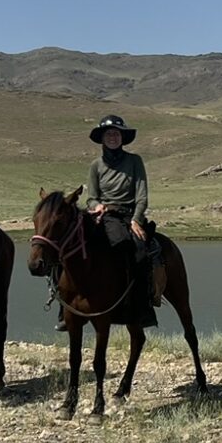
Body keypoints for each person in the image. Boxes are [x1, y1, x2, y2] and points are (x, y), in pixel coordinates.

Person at [83, 114, 157, 318]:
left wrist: (136, 220)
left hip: (128, 215)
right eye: (109, 134)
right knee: (70, 247)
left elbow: (142, 196)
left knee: (139, 252)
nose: (113, 137)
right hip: (103, 215)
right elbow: (91, 198)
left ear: (122, 138)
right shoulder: (96, 165)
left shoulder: (134, 161)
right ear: (102, 138)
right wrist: (97, 206)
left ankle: (141, 306)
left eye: (116, 134)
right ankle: (66, 309)